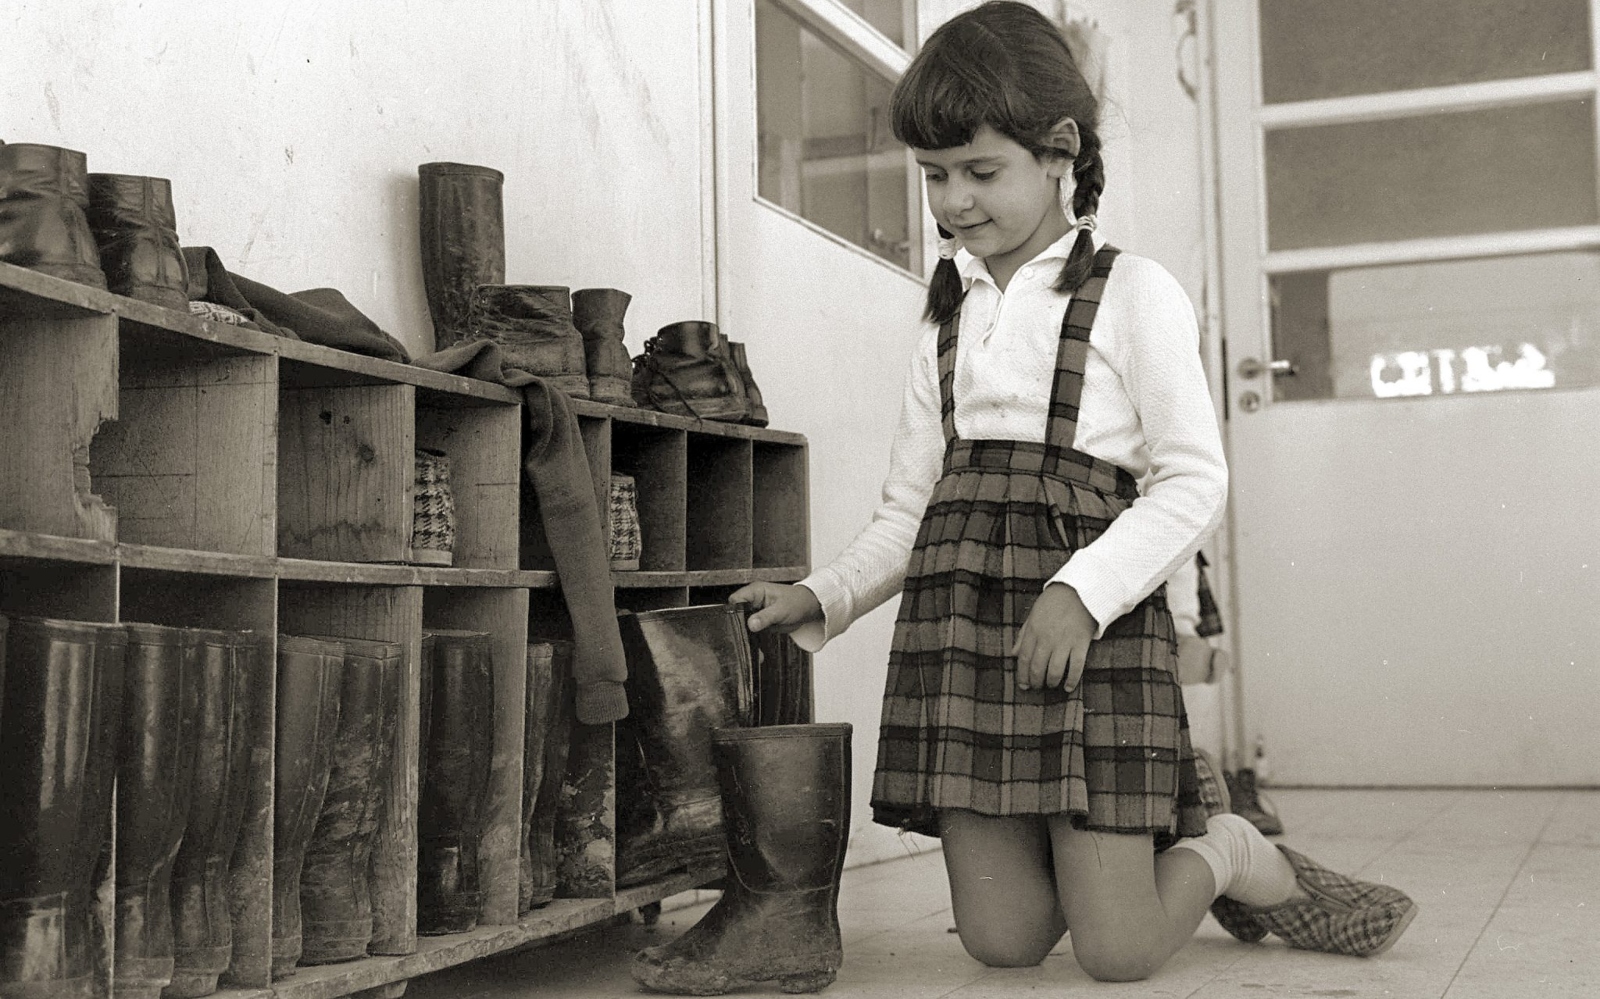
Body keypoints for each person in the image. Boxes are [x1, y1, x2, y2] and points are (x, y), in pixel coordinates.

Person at [731, 1, 1414, 982]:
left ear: (1058, 154)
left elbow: (1190, 481)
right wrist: (821, 595)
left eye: (981, 171)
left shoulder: (1134, 293)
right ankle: (1099, 855)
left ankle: (1225, 849)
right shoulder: (943, 323)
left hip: (1089, 636)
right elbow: (910, 511)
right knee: (1003, 943)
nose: (956, 201)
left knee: (1117, 949)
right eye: (935, 177)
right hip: (964, 639)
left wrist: (1080, 593)